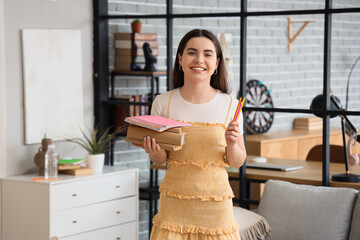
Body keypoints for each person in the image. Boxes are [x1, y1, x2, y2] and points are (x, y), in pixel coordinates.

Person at [141, 29, 247, 240]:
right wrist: (154, 151)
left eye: (208, 54)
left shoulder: (231, 106)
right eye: (192, 53)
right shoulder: (163, 103)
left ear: (217, 63)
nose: (199, 59)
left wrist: (233, 144)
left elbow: (237, 161)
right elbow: (162, 159)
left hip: (216, 208)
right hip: (174, 206)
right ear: (180, 59)